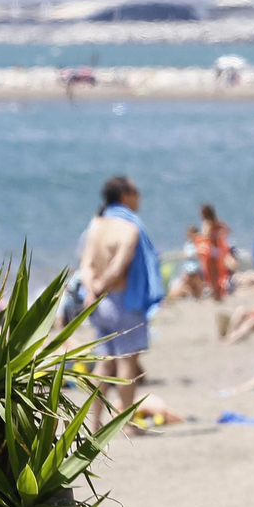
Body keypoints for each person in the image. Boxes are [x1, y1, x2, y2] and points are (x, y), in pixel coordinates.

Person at [78, 175, 164, 432]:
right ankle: (127, 422)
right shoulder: (130, 228)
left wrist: (92, 290)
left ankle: (94, 422)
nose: (140, 197)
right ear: (124, 195)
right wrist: (103, 285)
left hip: (99, 301)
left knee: (104, 361)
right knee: (127, 361)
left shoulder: (97, 225)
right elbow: (119, 266)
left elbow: (86, 264)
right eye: (136, 191)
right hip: (123, 299)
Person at [195, 203, 233, 301]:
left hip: (211, 250)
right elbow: (227, 230)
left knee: (211, 274)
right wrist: (218, 234)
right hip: (217, 250)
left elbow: (206, 235)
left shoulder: (208, 223)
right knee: (216, 273)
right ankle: (217, 294)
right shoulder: (215, 222)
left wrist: (197, 237)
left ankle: (216, 294)